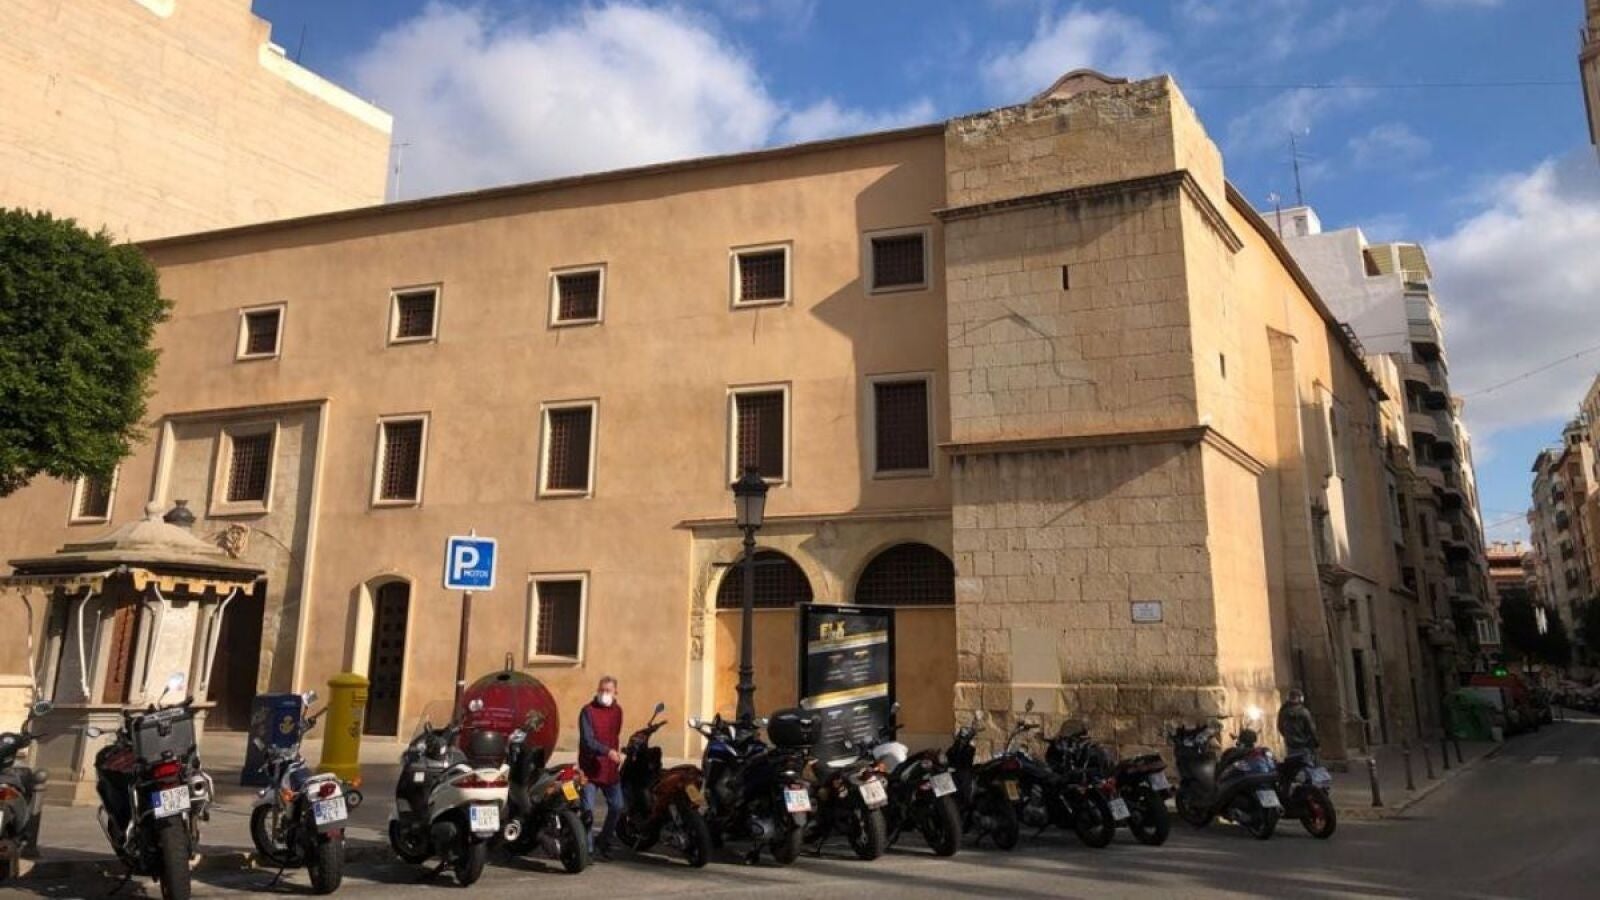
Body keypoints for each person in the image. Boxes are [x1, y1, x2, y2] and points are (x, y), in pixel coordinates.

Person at [578, 675, 625, 859]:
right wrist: (607, 751)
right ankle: (588, 850)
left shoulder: (618, 711)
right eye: (601, 690)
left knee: (618, 806)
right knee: (588, 811)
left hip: (610, 769)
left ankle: (604, 841)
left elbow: (615, 735)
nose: (604, 693)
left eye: (608, 690)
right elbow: (587, 741)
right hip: (589, 769)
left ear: (615, 692)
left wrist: (614, 754)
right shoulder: (587, 711)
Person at [1278, 688, 1319, 755]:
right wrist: (1316, 742)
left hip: (1290, 744)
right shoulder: (1304, 712)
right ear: (1301, 699)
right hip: (1304, 744)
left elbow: (1280, 727)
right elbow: (1311, 729)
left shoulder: (1283, 711)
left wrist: (1288, 736)